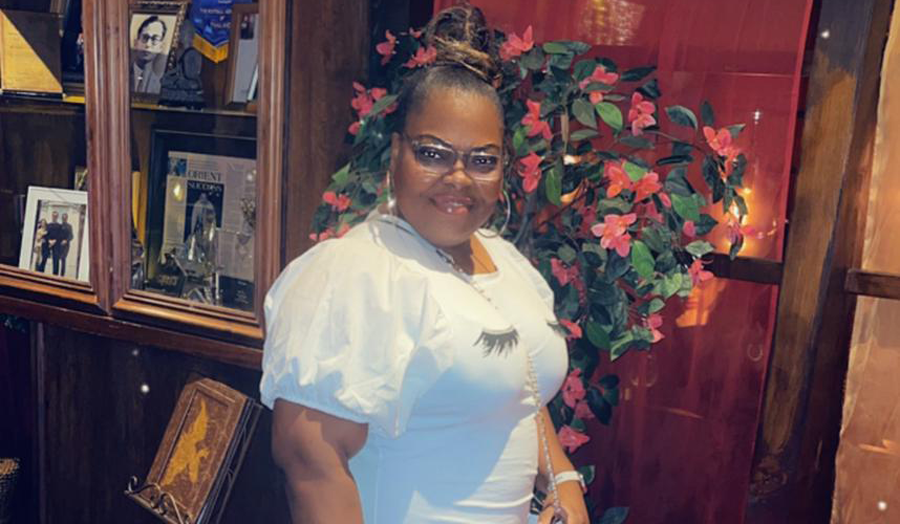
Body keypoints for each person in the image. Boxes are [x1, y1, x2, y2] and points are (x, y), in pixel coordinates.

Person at [260, 6, 590, 523]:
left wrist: (563, 480)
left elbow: (516, 385)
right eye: (434, 154)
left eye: (482, 160)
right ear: (396, 154)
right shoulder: (357, 274)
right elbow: (311, 462)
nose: (459, 177)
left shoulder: (504, 261)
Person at [131, 15, 168, 94]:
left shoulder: (160, 84)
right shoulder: (120, 75)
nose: (148, 44)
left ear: (161, 47)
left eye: (155, 39)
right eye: (145, 37)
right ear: (136, 42)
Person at [57, 213, 74, 277]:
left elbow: (71, 236)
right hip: (59, 245)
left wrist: (66, 241)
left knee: (63, 258)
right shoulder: (59, 226)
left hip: (66, 246)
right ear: (62, 218)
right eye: (63, 217)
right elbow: (57, 235)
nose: (64, 219)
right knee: (57, 258)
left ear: (67, 218)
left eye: (65, 217)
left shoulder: (69, 226)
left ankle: (62, 275)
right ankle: (56, 274)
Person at [45, 211, 61, 276]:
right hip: (48, 243)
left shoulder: (60, 226)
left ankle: (55, 275)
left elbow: (60, 235)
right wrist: (49, 241)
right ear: (52, 216)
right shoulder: (48, 225)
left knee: (56, 259)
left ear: (57, 217)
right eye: (53, 216)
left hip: (56, 244)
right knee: (44, 257)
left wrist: (55, 241)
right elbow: (46, 234)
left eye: (56, 216)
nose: (54, 217)